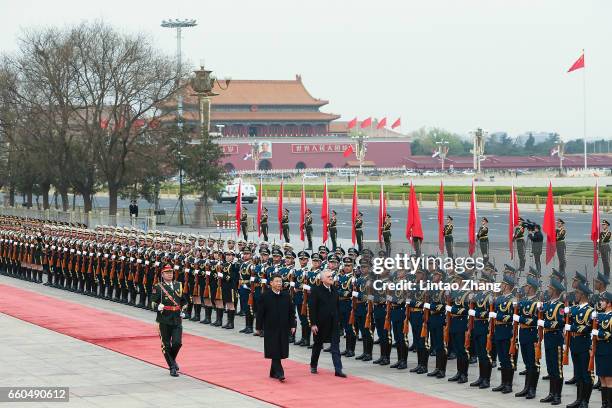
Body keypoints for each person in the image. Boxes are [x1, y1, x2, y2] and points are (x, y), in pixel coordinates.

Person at [256, 273, 296, 382]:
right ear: (271, 283)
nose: (279, 283)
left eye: (280, 281)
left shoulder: (286, 295)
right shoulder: (265, 296)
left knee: (280, 349)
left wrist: (293, 325)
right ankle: (280, 372)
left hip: (283, 327)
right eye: (277, 281)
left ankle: (273, 372)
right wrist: (258, 327)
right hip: (270, 327)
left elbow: (291, 312)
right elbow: (260, 313)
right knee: (274, 349)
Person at [151, 264, 188, 377]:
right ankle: (172, 367)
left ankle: (172, 359)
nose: (169, 274)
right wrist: (158, 306)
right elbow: (152, 303)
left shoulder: (178, 285)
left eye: (171, 272)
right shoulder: (158, 287)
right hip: (164, 319)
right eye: (167, 273)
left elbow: (184, 301)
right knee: (166, 345)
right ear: (162, 275)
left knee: (177, 343)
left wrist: (184, 310)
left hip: (176, 318)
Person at [309, 269, 346, 377]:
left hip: (333, 323)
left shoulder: (334, 289)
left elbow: (337, 306)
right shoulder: (316, 290)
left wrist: (339, 320)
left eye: (331, 276)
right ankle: (313, 365)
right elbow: (312, 308)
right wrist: (313, 324)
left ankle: (338, 369)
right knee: (317, 345)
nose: (331, 278)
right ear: (322, 279)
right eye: (328, 277)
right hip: (320, 324)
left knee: (335, 347)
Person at [593, 291, 612, 407]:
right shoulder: (600, 316)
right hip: (600, 350)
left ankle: (609, 404)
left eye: (603, 301)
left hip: (609, 351)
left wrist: (599, 333)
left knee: (609, 379)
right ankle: (604, 404)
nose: (601, 303)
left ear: (609, 303)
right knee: (602, 378)